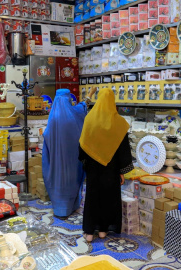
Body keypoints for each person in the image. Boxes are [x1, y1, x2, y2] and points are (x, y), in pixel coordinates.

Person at [78, 88, 133, 242]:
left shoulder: (90, 119)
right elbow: (124, 151)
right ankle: (103, 230)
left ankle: (89, 233)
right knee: (108, 199)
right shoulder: (120, 123)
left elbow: (82, 145)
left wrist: (85, 162)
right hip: (112, 169)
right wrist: (122, 171)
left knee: (92, 198)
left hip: (93, 169)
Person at [42, 89, 87, 217]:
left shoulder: (54, 116)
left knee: (57, 181)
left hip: (56, 161)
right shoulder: (72, 116)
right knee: (71, 182)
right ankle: (71, 206)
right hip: (72, 159)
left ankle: (59, 209)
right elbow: (80, 111)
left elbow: (47, 135)